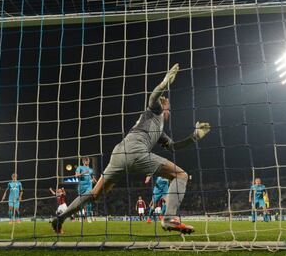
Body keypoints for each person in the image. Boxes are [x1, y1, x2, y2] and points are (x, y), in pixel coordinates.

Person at [52, 63, 210, 234]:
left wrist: (194, 137)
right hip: (136, 151)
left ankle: (60, 218)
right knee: (181, 175)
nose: (170, 110)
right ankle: (169, 218)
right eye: (169, 106)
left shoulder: (159, 131)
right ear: (164, 106)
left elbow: (173, 147)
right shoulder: (156, 111)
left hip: (119, 152)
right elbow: (152, 98)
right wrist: (164, 84)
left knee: (95, 193)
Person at [75, 157, 97, 223]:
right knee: (81, 202)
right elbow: (76, 176)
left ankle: (88, 216)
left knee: (89, 201)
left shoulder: (91, 170)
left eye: (88, 160)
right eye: (85, 160)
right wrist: (83, 173)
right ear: (83, 161)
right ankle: (81, 216)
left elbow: (93, 178)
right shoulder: (79, 168)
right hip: (81, 186)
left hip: (89, 185)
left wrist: (96, 182)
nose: (87, 161)